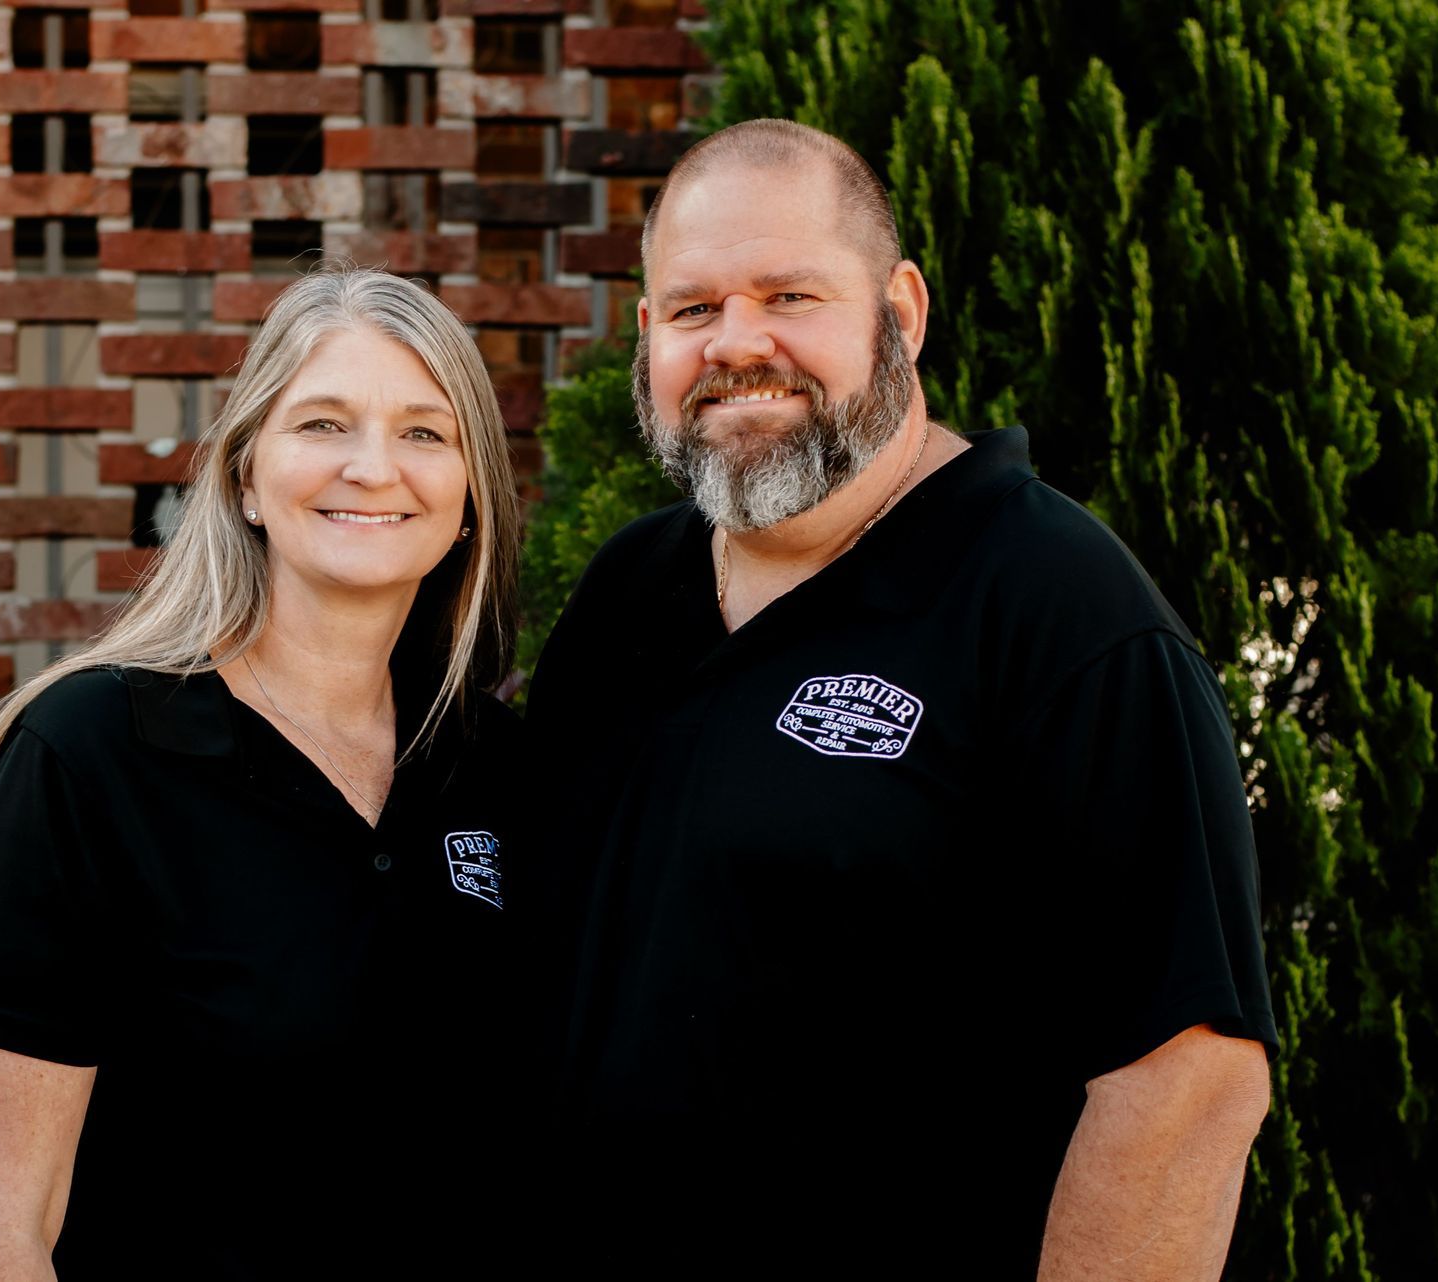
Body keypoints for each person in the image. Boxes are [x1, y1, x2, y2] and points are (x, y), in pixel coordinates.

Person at [527, 119, 1279, 1275]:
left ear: (902, 313)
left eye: (792, 295)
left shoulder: (1063, 614)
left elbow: (1186, 1083)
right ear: (646, 337)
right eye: (692, 310)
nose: (739, 343)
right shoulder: (627, 596)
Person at [0, 266, 526, 1278]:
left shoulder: (499, 771)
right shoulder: (88, 755)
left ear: (469, 498)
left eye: (425, 431)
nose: (374, 467)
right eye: (324, 422)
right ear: (245, 477)